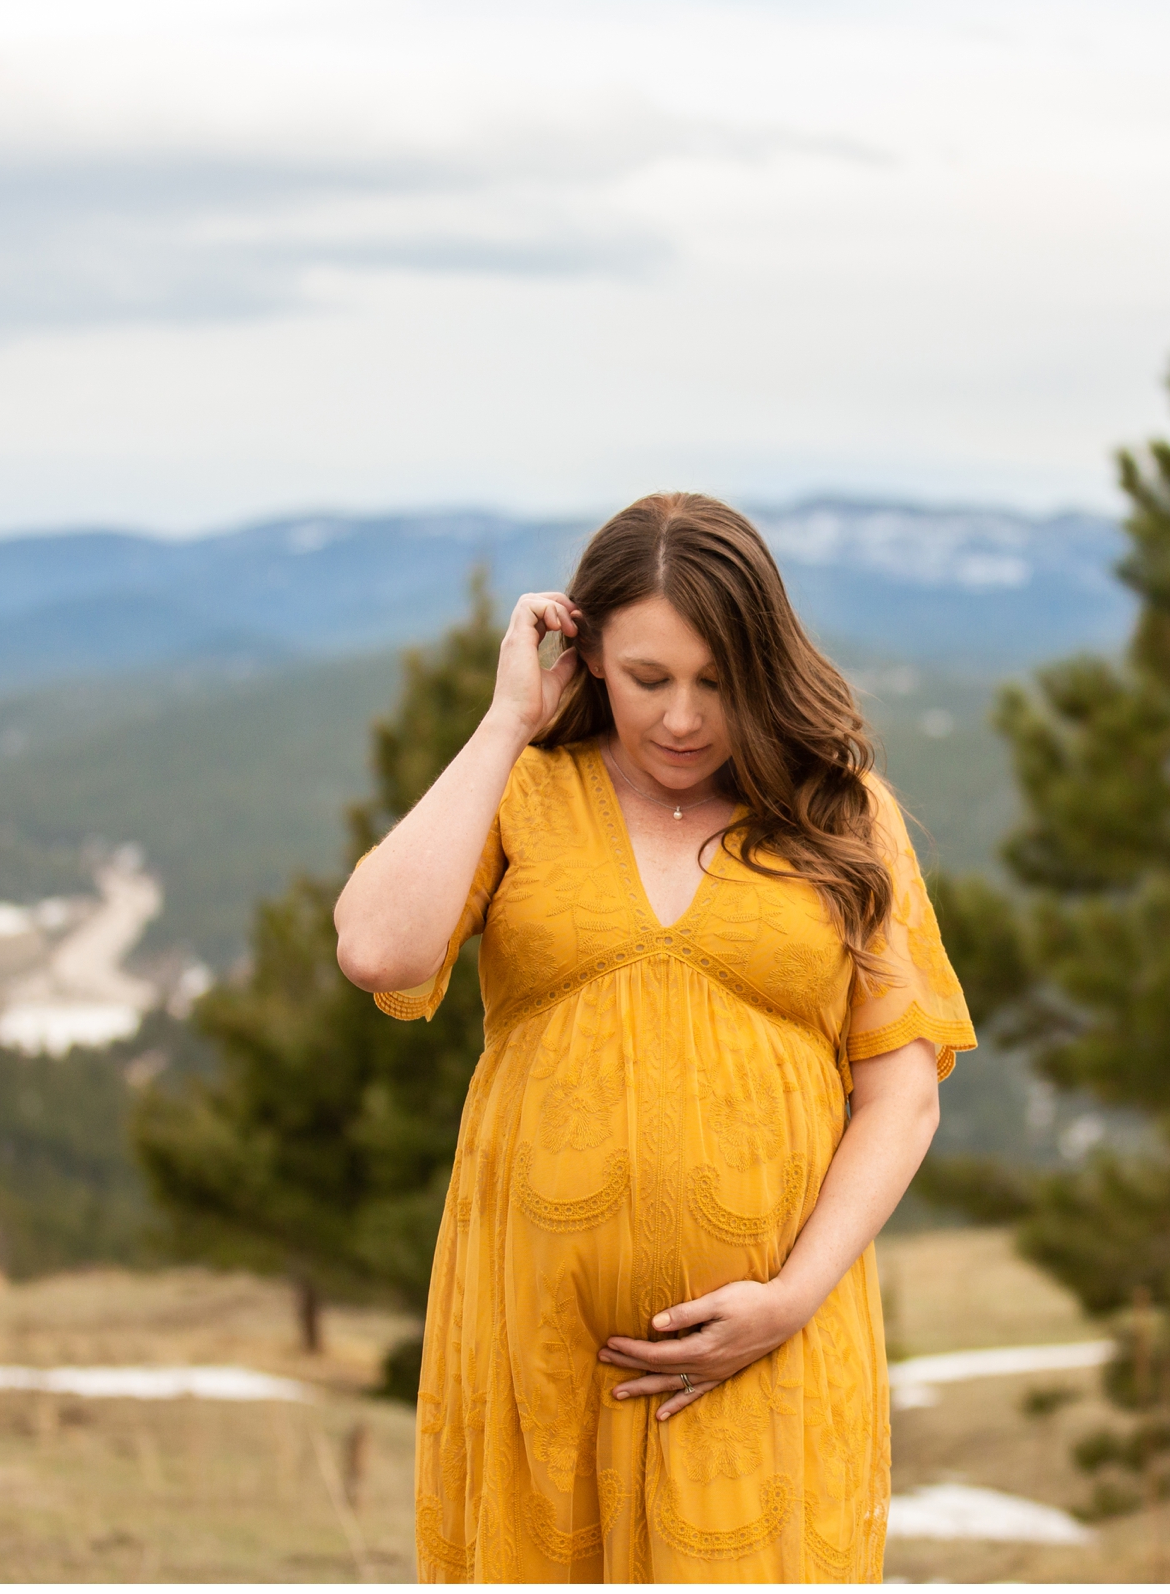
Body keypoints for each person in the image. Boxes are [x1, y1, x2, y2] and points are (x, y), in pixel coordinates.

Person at [333, 492, 976, 1582]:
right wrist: (505, 724)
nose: (682, 717)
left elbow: (902, 1092)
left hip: (769, 1346)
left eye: (717, 681)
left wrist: (787, 1300)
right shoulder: (525, 792)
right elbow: (381, 950)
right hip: (538, 1347)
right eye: (648, 679)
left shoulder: (841, 815)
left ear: (764, 668)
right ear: (590, 663)